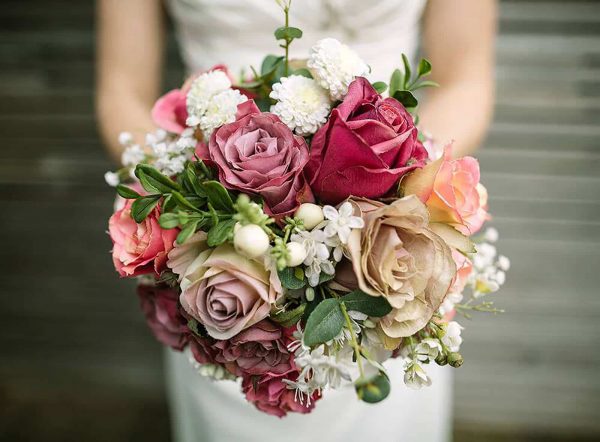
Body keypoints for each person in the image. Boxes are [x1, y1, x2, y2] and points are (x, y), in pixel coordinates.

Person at [96, 1, 497, 441]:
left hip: (388, 243)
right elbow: (122, 91)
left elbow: (464, 81)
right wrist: (200, 203)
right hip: (216, 249)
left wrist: (394, 197)